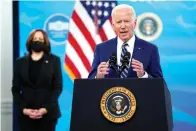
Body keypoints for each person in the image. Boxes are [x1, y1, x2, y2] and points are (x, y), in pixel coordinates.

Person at [88, 4, 163, 79]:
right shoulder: (101, 49)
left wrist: (143, 75)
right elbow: (90, 81)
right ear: (113, 26)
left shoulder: (150, 49)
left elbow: (159, 83)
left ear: (134, 23)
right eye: (119, 22)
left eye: (126, 21)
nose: (123, 26)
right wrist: (97, 76)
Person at [11, 29, 62, 131]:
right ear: (30, 41)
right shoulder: (20, 62)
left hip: (48, 115)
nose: (37, 41)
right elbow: (15, 89)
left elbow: (57, 88)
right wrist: (24, 109)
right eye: (35, 39)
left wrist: (45, 109)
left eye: (40, 39)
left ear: (45, 42)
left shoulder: (54, 60)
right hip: (26, 116)